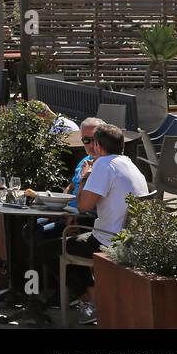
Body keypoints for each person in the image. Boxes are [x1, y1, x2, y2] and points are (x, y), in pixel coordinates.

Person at [63, 123, 149, 325]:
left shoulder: (103, 164)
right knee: (75, 238)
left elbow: (83, 206)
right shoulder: (129, 163)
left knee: (61, 244)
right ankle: (98, 300)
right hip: (131, 238)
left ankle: (93, 303)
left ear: (99, 146)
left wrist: (85, 177)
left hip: (109, 240)